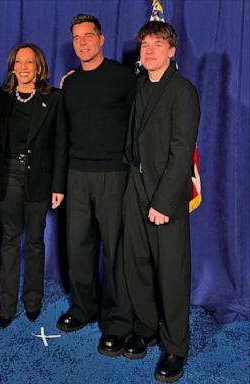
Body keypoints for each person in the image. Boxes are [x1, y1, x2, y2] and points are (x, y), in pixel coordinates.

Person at [122, 21, 200, 382]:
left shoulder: (182, 91)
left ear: (172, 51)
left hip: (164, 194)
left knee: (171, 272)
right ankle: (146, 327)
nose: (149, 50)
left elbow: (182, 152)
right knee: (137, 264)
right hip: (134, 187)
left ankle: (175, 347)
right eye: (145, 45)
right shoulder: (138, 86)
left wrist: (164, 203)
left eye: (157, 44)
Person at [56, 13, 136, 357]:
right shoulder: (70, 83)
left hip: (114, 175)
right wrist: (59, 182)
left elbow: (138, 126)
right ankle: (83, 308)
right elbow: (62, 136)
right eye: (76, 38)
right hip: (76, 175)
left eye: (88, 36)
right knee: (78, 246)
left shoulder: (122, 77)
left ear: (101, 39)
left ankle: (118, 323)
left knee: (116, 249)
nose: (82, 43)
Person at [0, 43, 67, 328]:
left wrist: (58, 185)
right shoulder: (0, 98)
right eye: (18, 62)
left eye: (29, 62)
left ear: (39, 67)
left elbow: (61, 145)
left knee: (35, 241)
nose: (23, 68)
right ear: (12, 67)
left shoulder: (54, 98)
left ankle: (33, 301)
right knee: (10, 240)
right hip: (7, 176)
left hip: (39, 179)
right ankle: (6, 304)